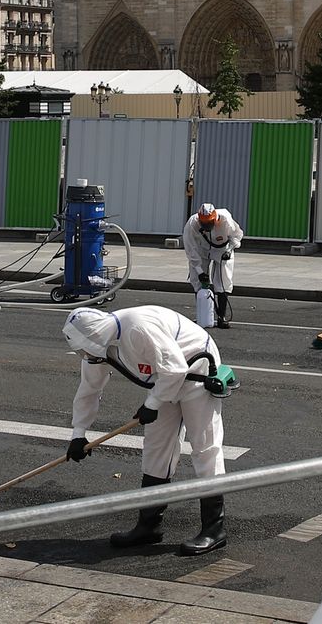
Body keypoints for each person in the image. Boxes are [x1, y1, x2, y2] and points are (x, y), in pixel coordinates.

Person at [63, 306, 227, 556]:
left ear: (94, 336)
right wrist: (78, 433)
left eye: (84, 348)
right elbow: (89, 390)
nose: (83, 354)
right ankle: (149, 526)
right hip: (166, 380)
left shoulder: (137, 328)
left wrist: (151, 405)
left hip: (196, 370)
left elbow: (176, 368)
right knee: (156, 446)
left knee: (204, 446)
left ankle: (214, 530)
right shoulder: (98, 349)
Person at [184, 203, 243, 328]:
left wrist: (229, 250)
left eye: (209, 222)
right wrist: (200, 272)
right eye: (203, 223)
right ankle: (202, 315)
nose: (206, 226)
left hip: (222, 250)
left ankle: (222, 316)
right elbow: (190, 249)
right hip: (202, 249)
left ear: (215, 218)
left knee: (223, 281)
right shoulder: (192, 224)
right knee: (198, 282)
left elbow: (237, 235)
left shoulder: (225, 219)